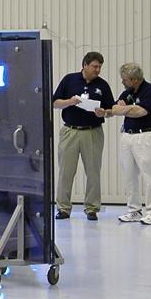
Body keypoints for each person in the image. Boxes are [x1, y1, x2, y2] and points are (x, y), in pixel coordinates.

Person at [52, 51, 114, 221]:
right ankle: (63, 208)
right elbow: (55, 103)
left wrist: (105, 113)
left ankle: (92, 208)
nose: (97, 70)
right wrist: (70, 102)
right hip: (70, 131)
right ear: (85, 65)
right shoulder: (69, 80)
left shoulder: (103, 85)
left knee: (93, 171)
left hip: (93, 132)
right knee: (66, 171)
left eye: (100, 67)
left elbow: (111, 110)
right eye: (94, 66)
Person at [110, 62, 151, 225]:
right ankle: (134, 209)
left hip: (144, 136)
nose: (122, 82)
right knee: (129, 174)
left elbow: (141, 112)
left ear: (134, 79)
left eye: (124, 79)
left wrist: (127, 109)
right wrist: (129, 109)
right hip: (127, 136)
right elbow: (114, 108)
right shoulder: (128, 92)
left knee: (149, 174)